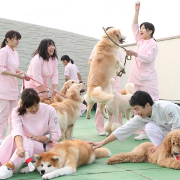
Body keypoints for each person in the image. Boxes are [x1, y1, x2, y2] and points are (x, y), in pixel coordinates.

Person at [0, 88, 61, 179]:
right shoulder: (16, 111)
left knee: (27, 140)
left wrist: (38, 137)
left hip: (45, 148)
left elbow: (56, 135)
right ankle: (1, 163)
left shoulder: (49, 110)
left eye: (36, 105)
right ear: (24, 105)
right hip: (26, 148)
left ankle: (10, 167)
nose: (34, 108)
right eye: (30, 107)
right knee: (10, 138)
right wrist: (20, 148)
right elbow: (17, 131)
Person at [90, 90, 180, 152]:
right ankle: (164, 151)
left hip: (177, 134)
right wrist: (102, 143)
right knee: (149, 127)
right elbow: (125, 129)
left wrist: (161, 145)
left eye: (137, 109)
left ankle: (165, 149)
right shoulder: (142, 116)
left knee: (174, 135)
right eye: (134, 110)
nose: (136, 113)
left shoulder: (166, 108)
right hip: (170, 137)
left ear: (147, 105)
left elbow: (176, 132)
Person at [125, 2, 159, 140]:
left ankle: (150, 130)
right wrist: (136, 11)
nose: (140, 30)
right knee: (137, 103)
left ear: (150, 31)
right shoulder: (140, 41)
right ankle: (139, 130)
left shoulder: (153, 44)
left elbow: (149, 58)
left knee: (150, 103)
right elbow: (133, 26)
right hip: (137, 77)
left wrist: (134, 53)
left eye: (143, 28)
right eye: (141, 28)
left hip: (148, 78)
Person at [88, 27, 123, 136]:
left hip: (115, 80)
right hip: (103, 80)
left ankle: (119, 129)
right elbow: (91, 61)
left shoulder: (117, 48)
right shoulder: (98, 47)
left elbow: (119, 63)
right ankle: (100, 128)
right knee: (101, 105)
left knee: (118, 103)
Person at [0, 30, 29, 143]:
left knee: (14, 116)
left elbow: (14, 69)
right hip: (3, 88)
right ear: (8, 39)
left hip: (13, 88)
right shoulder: (3, 51)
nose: (18, 41)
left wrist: (22, 73)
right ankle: (1, 139)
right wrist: (16, 75)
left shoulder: (15, 53)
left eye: (19, 39)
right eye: (16, 39)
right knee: (2, 116)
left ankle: (13, 138)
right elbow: (1, 69)